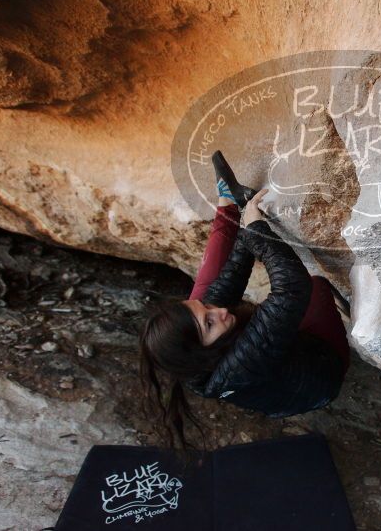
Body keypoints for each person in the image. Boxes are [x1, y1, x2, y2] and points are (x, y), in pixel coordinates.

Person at [139, 162, 351, 451]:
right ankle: (337, 302)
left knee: (205, 290)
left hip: (280, 364)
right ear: (202, 351)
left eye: (203, 311)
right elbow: (291, 288)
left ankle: (227, 204)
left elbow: (230, 278)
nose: (219, 312)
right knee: (314, 287)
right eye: (209, 323)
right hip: (321, 376)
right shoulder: (243, 361)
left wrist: (246, 223)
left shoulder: (200, 352)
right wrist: (256, 229)